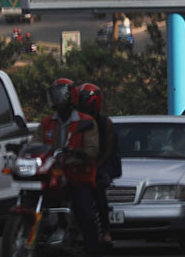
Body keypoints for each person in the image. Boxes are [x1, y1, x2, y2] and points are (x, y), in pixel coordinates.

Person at [30, 78, 102, 257]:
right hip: (51, 175)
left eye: (61, 94)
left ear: (71, 96)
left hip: (77, 175)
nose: (57, 99)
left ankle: (92, 249)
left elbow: (92, 149)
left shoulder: (86, 122)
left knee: (84, 210)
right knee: (32, 199)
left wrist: (78, 154)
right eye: (55, 94)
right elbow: (36, 143)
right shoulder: (46, 123)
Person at [76, 83, 121, 248]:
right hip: (80, 163)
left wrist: (95, 166)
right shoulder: (76, 121)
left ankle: (106, 230)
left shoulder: (104, 122)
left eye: (85, 99)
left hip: (102, 164)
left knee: (98, 189)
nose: (82, 103)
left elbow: (108, 150)